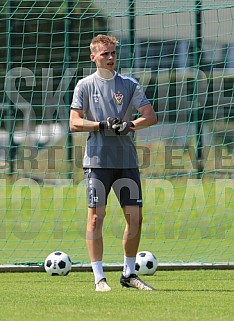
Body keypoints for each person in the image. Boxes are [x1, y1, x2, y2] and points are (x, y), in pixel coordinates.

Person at [70, 34, 157, 291]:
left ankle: (129, 274)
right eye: (104, 53)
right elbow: (74, 122)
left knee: (135, 218)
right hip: (97, 162)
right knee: (96, 218)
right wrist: (100, 125)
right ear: (93, 57)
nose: (110, 57)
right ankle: (99, 278)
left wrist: (129, 124)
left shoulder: (129, 84)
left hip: (126, 161)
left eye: (113, 53)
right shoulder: (84, 85)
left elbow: (150, 117)